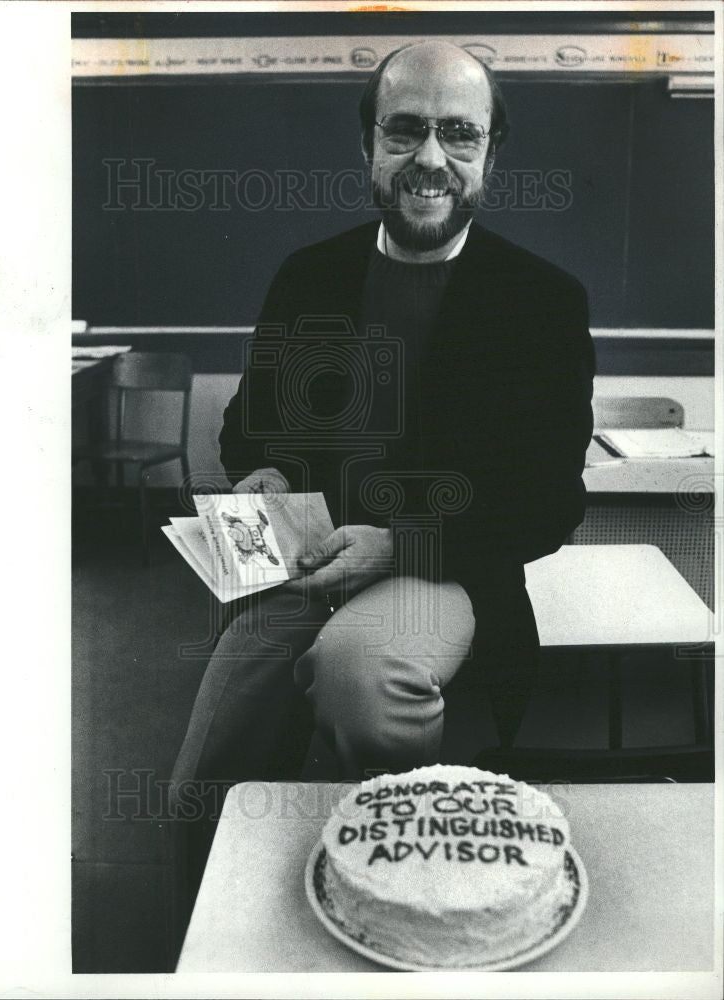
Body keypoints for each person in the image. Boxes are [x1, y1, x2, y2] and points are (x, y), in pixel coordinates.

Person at [170, 40, 594, 802]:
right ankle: (218, 910)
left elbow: (547, 502)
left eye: (459, 133)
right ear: (369, 144)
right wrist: (260, 473)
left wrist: (396, 544)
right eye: (404, 130)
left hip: (447, 566)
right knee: (202, 781)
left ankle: (382, 874)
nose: (430, 157)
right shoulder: (311, 275)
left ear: (491, 151)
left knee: (357, 672)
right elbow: (251, 428)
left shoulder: (542, 302)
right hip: (311, 566)